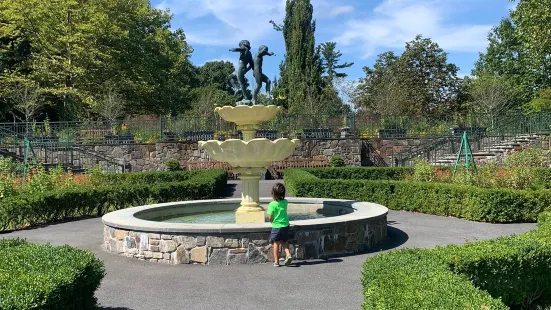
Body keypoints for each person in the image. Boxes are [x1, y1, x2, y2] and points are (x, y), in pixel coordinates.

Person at [267, 182, 292, 267]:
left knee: (276, 243)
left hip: (276, 226)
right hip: (285, 225)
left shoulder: (272, 204)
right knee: (284, 241)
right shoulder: (285, 202)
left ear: (273, 193)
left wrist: (272, 221)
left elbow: (270, 217)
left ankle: (276, 261)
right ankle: (288, 255)